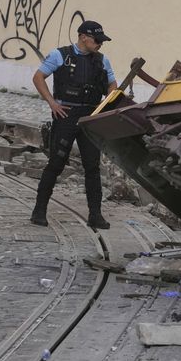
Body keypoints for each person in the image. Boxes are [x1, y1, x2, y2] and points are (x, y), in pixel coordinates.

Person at [30, 20, 118, 229]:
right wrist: (52, 103)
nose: (100, 44)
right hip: (66, 114)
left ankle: (95, 215)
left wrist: (108, 103)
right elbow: (38, 77)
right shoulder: (61, 55)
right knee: (56, 163)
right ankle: (39, 211)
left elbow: (112, 85)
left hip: (89, 116)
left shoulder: (102, 60)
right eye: (97, 40)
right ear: (83, 37)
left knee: (92, 167)